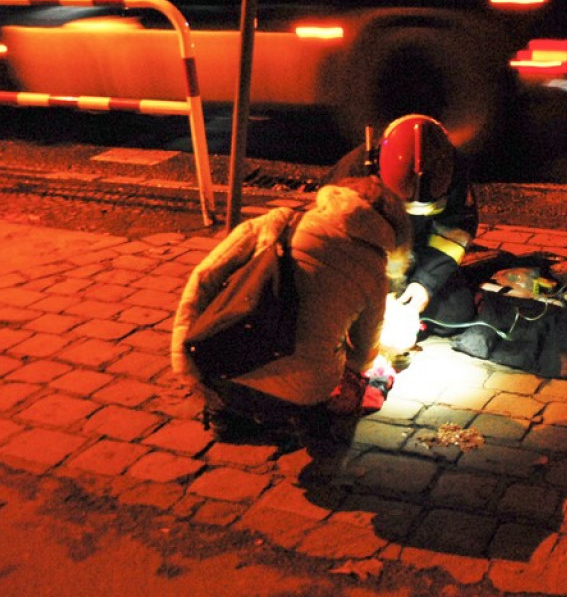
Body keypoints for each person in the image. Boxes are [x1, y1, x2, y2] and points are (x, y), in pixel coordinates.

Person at [170, 176, 411, 441]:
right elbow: (363, 356)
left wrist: (183, 362)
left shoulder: (279, 222)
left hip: (226, 371)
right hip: (304, 394)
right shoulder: (375, 271)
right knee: (337, 368)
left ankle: (226, 413)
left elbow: (204, 278)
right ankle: (295, 422)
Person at [326, 114, 479, 335]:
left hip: (420, 257)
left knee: (457, 314)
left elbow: (454, 235)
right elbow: (332, 245)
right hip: (367, 260)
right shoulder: (351, 174)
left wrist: (425, 283)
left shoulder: (454, 169)